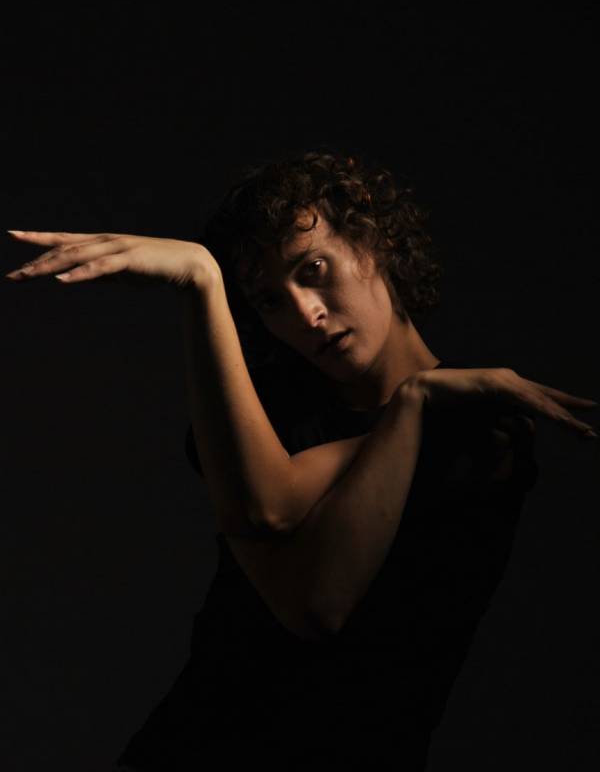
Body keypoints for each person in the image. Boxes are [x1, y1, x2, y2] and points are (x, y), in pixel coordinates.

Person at [5, 151, 597, 771]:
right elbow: (266, 505)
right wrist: (203, 281)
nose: (306, 315)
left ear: (375, 241)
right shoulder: (267, 414)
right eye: (268, 301)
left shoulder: (482, 429)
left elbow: (315, 604)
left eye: (313, 269)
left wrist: (413, 402)